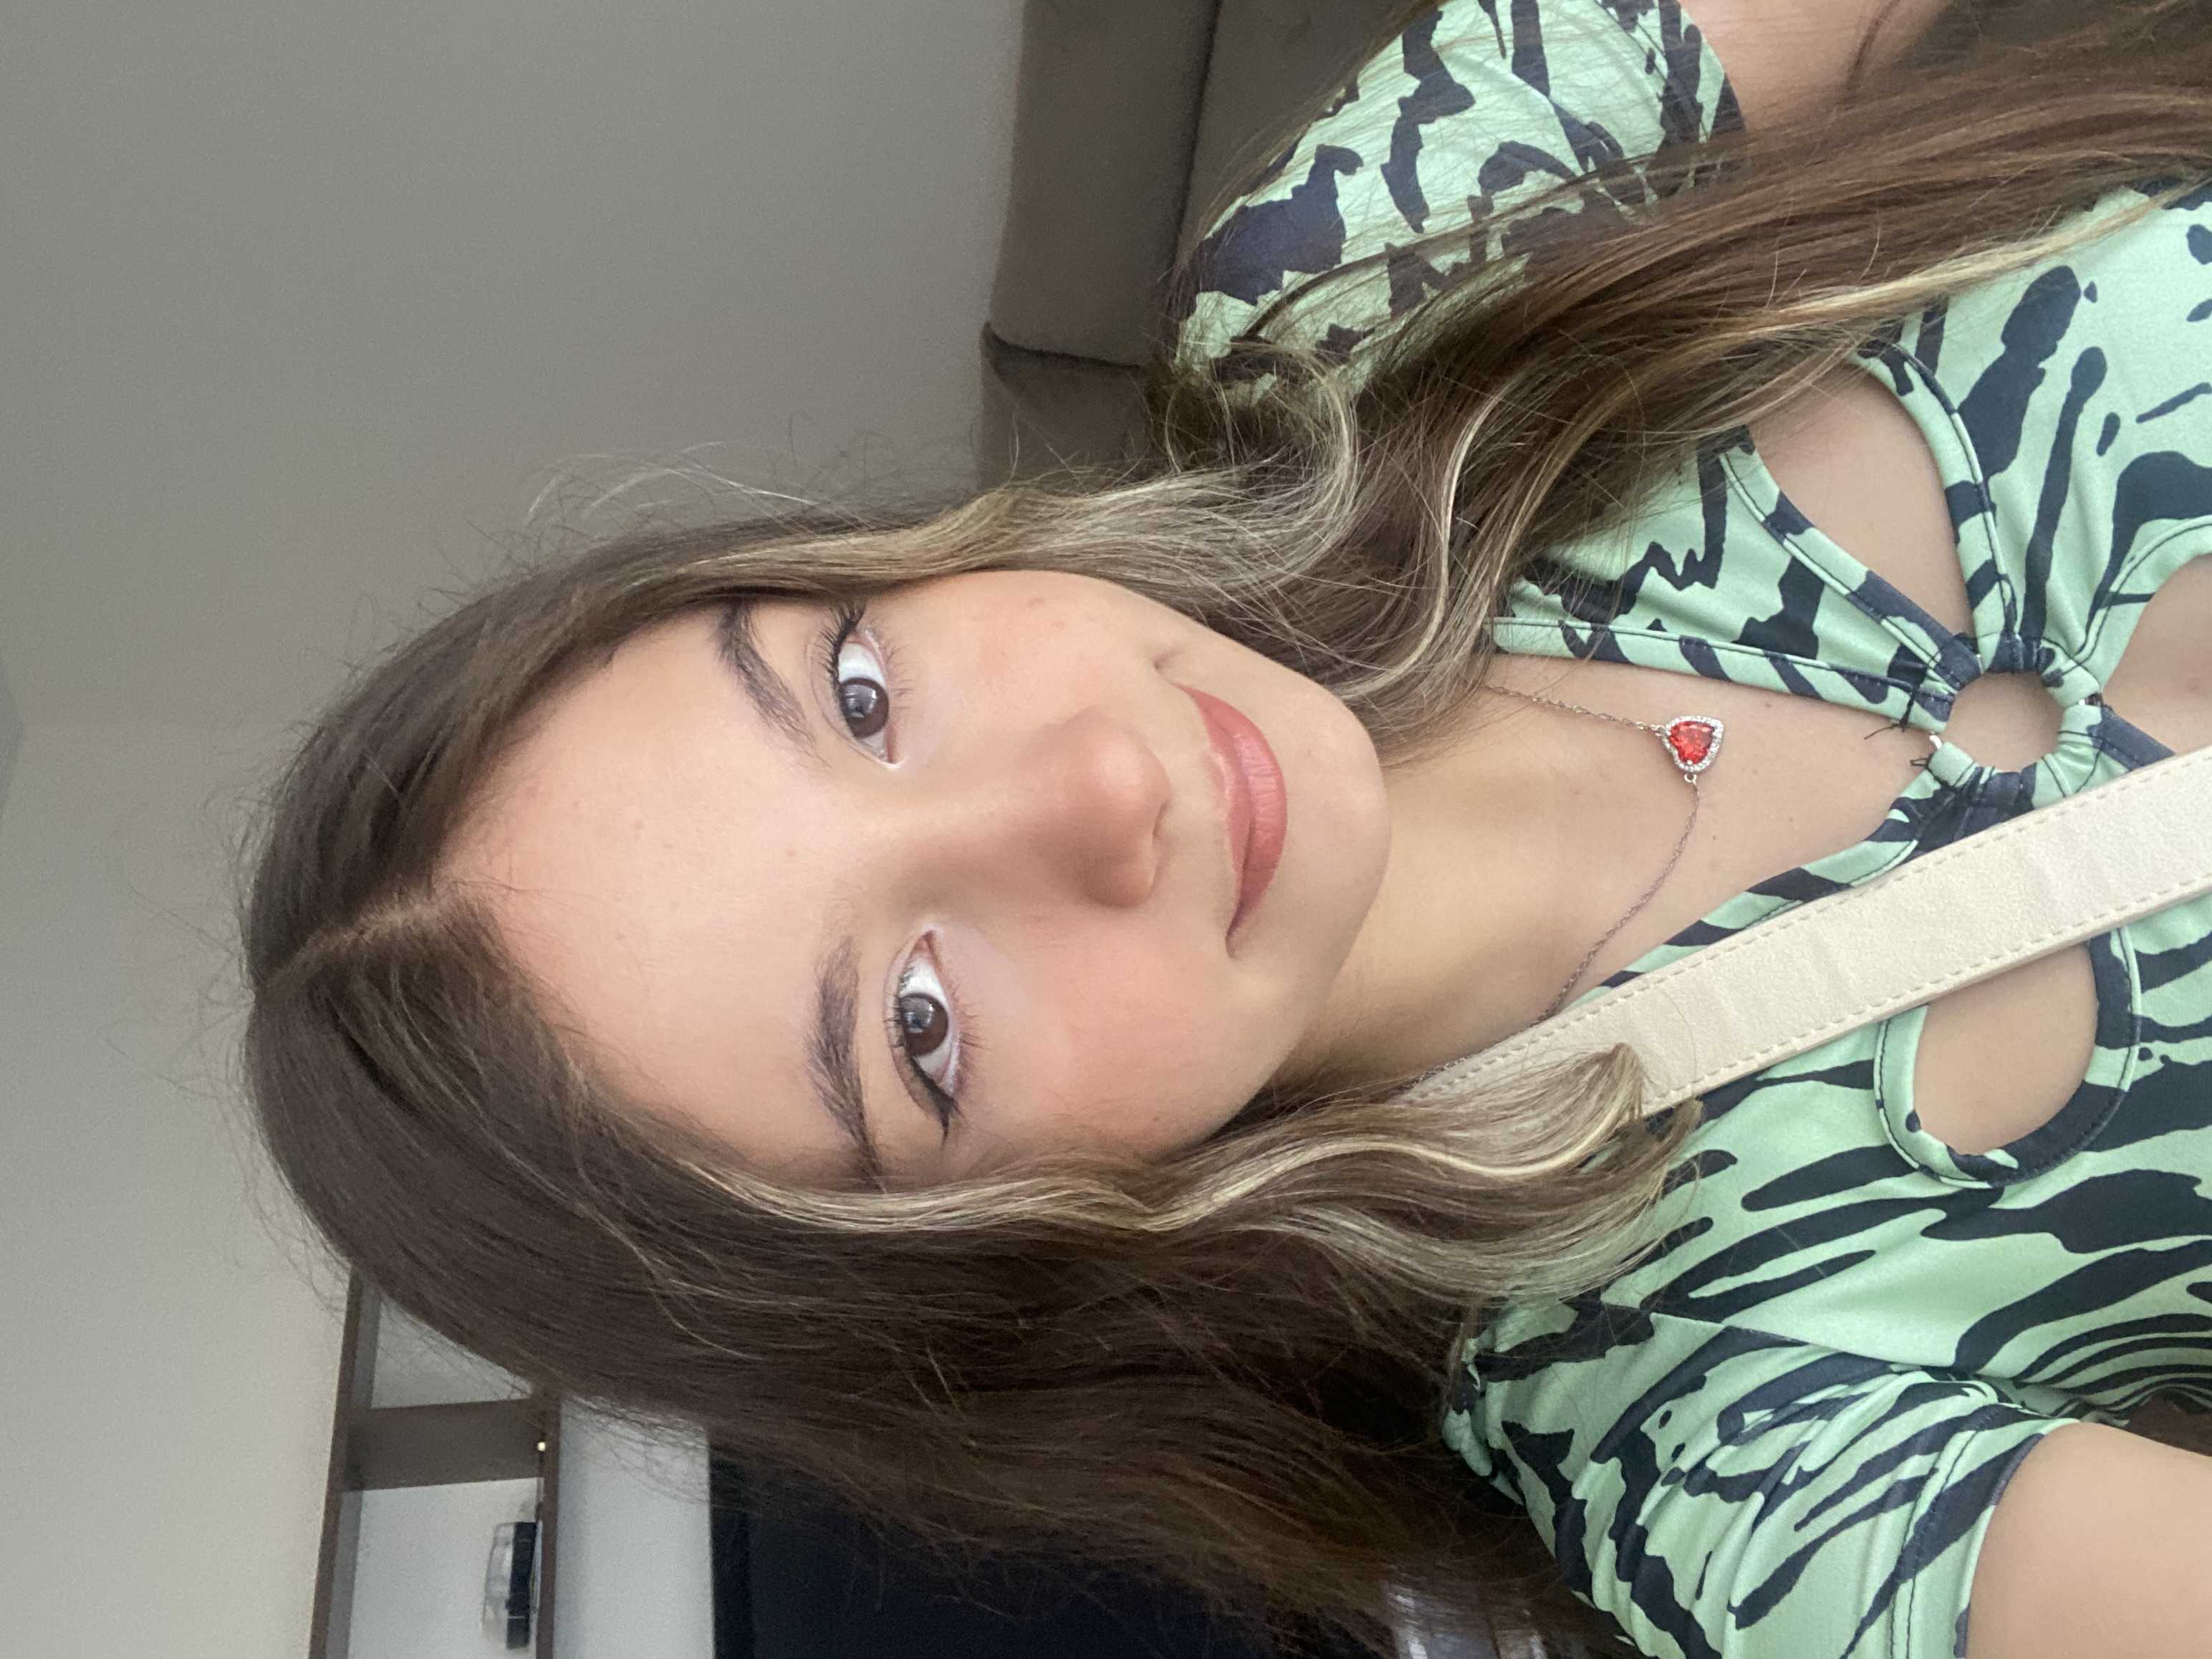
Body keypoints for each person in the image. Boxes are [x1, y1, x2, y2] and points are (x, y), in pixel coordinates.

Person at [240, 1, 2212, 1655]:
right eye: (921, 1026)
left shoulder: (1359, 284)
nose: (1101, 792)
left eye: (858, 690)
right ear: (992, 1268)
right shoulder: (1708, 1440)